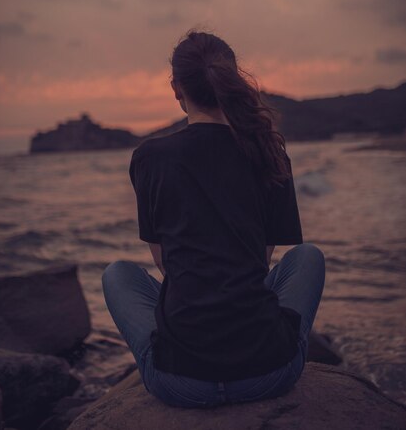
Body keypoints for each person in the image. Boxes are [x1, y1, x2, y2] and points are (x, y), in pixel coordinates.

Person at [102, 29, 325, 408]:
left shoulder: (150, 157)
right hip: (269, 375)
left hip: (178, 383)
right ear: (231, 81)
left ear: (176, 88)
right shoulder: (268, 153)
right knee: (308, 258)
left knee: (117, 273)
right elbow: (260, 260)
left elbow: (165, 264)